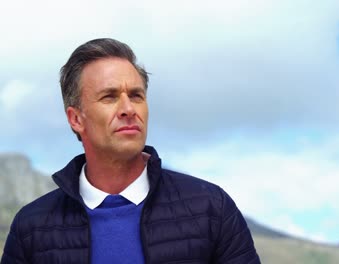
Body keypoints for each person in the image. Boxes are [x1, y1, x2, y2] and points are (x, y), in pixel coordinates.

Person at [1, 38, 260, 264]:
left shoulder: (211, 208)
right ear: (76, 119)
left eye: (136, 95)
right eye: (109, 97)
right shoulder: (32, 227)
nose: (128, 109)